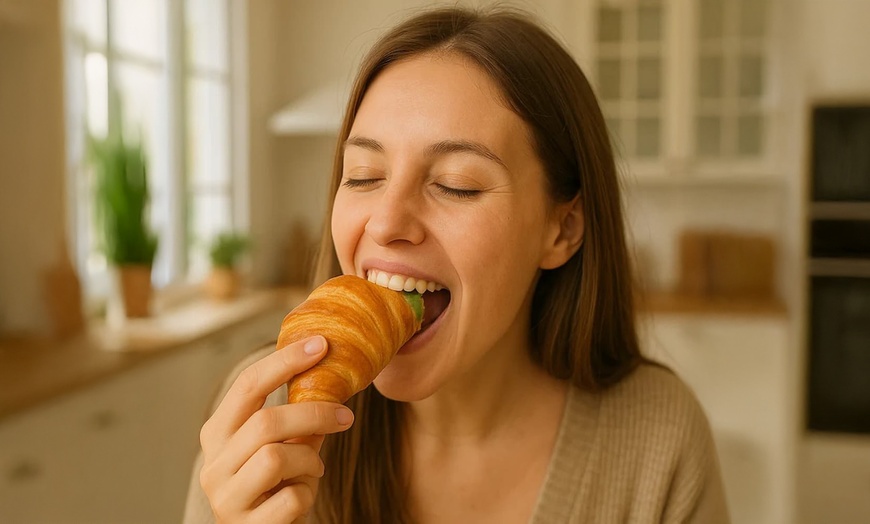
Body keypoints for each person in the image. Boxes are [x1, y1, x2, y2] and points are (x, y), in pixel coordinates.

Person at [184, 6, 729, 523]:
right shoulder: (264, 423)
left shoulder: (659, 439)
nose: (385, 221)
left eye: (456, 185)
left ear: (561, 229)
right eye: (364, 175)